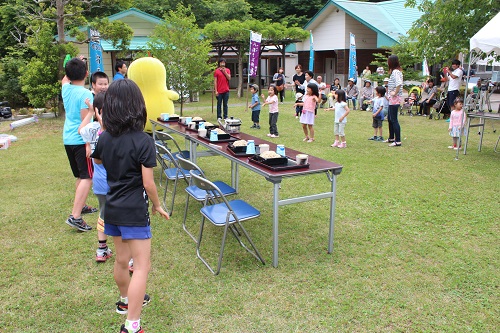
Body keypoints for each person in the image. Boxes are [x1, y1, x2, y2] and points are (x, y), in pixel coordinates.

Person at [91, 79, 169, 333]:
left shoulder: (105, 138)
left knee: (121, 261)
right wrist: (157, 205)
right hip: (135, 211)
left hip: (112, 208)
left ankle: (125, 301)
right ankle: (132, 325)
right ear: (138, 106)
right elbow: (148, 183)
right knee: (142, 267)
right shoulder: (144, 141)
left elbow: (100, 163)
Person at [62, 57, 95, 232]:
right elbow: (85, 123)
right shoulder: (85, 94)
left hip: (68, 139)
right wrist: (89, 144)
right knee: (87, 177)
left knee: (80, 176)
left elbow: (64, 79)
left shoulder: (65, 90)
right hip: (81, 140)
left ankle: (81, 206)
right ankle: (75, 216)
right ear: (87, 74)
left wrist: (75, 62)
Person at [80, 93, 112, 262]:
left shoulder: (91, 129)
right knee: (122, 217)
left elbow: (80, 130)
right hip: (115, 182)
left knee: (103, 213)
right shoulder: (114, 131)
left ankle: (102, 249)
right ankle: (130, 256)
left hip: (99, 183)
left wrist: (91, 112)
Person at [384, 55, 403, 147]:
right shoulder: (395, 71)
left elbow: (399, 83)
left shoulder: (395, 72)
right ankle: (391, 137)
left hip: (395, 98)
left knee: (394, 119)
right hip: (392, 99)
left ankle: (398, 140)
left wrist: (394, 93)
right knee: (390, 119)